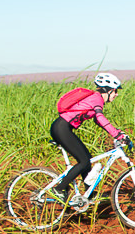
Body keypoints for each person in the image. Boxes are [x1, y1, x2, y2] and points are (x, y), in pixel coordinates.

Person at [50, 73, 130, 205]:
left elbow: (97, 121)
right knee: (83, 161)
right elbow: (100, 118)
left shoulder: (95, 99)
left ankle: (89, 194)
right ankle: (58, 189)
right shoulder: (96, 98)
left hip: (62, 127)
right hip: (61, 128)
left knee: (87, 159)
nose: (116, 95)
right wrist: (117, 135)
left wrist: (116, 132)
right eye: (115, 91)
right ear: (108, 90)